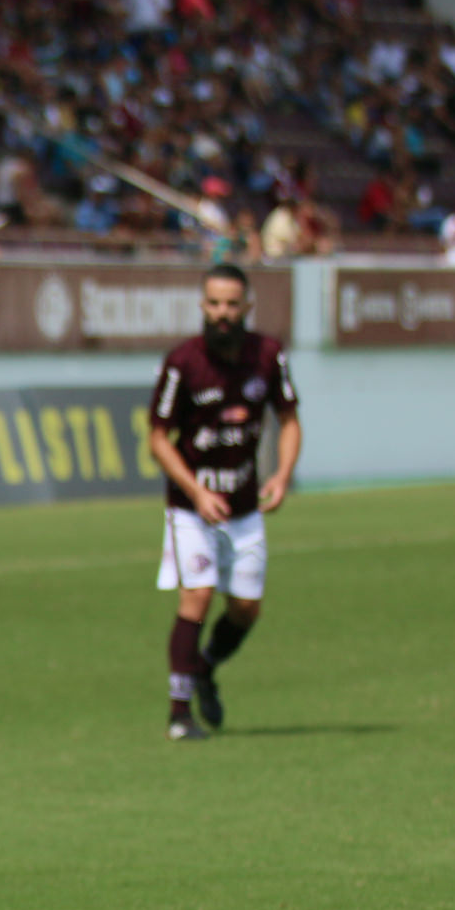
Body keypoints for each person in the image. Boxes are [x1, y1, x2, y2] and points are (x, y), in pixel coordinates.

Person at [146, 265, 302, 742]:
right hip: (191, 507)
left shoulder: (269, 356)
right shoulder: (183, 363)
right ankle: (179, 712)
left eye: (232, 305)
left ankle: (206, 666)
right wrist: (196, 491)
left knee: (246, 608)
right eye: (214, 304)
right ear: (202, 306)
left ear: (247, 307)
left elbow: (289, 418)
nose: (223, 313)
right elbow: (157, 438)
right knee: (197, 595)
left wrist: (281, 473)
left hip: (244, 505)